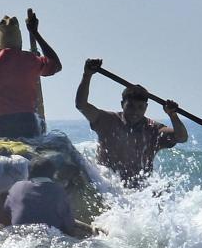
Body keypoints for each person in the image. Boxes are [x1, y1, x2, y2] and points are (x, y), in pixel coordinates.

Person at [75, 58, 188, 188]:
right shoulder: (107, 120)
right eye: (131, 106)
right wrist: (87, 75)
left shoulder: (154, 130)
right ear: (122, 104)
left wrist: (172, 115)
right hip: (107, 188)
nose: (135, 112)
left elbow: (182, 138)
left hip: (140, 194)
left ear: (146, 107)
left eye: (140, 107)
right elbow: (81, 105)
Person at [0, 9, 61, 139]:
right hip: (25, 123)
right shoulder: (31, 60)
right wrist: (35, 33)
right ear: (21, 45)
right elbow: (56, 65)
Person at [3, 157, 76, 236]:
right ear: (53, 174)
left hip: (19, 235)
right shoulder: (59, 190)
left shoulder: (17, 187)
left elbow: (6, 211)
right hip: (49, 237)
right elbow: (69, 225)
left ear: (29, 172)